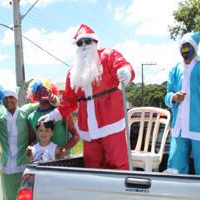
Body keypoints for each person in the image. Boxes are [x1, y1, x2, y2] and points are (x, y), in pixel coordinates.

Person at [41, 24, 134, 170]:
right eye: (80, 42)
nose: (84, 45)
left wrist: (125, 71)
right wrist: (53, 115)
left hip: (111, 122)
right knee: (92, 165)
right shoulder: (73, 71)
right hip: (88, 128)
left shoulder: (108, 55)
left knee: (118, 163)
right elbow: (69, 100)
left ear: (95, 42)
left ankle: (118, 192)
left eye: (87, 41)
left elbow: (122, 64)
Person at [164, 31, 200, 176]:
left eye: (188, 47)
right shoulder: (175, 70)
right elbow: (167, 95)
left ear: (194, 48)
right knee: (175, 168)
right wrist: (173, 97)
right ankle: (176, 195)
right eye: (183, 48)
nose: (185, 51)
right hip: (179, 127)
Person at [26, 78, 79, 157]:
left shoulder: (61, 112)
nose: (42, 93)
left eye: (45, 91)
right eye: (38, 91)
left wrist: (64, 149)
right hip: (41, 161)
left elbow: (76, 135)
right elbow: (32, 140)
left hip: (62, 160)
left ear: (51, 92)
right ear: (33, 94)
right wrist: (30, 148)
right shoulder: (31, 117)